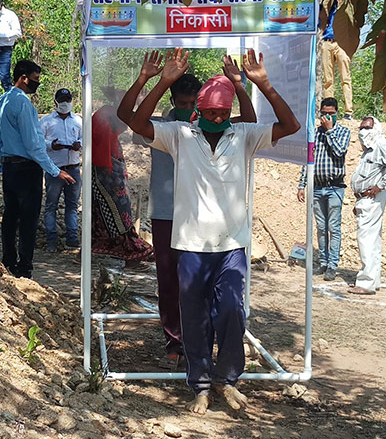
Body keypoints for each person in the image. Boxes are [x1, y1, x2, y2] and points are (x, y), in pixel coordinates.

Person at [127, 47, 300, 415]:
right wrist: (160, 82)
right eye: (211, 112)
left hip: (232, 245)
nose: (219, 117)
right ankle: (201, 386)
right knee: (194, 318)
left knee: (232, 314)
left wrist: (261, 85)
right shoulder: (181, 135)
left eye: (224, 111)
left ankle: (229, 381)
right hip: (190, 244)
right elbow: (136, 122)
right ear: (198, 111)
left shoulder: (242, 136)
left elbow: (290, 126)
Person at [117, 51, 256, 370]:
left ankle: (205, 343)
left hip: (207, 222)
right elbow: (127, 114)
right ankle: (175, 341)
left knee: (206, 285)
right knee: (169, 280)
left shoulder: (215, 127)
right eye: (183, 104)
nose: (189, 110)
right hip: (168, 213)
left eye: (194, 104)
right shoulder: (164, 128)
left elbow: (248, 124)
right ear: (173, 100)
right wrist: (146, 79)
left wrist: (239, 85)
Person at [0, 60, 75, 278]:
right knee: (28, 220)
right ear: (23, 78)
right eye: (35, 79)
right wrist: (55, 170)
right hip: (27, 168)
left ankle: (8, 263)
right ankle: (24, 270)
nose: (36, 84)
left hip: (10, 168)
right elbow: (33, 145)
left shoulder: (1, 101)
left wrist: (3, 165)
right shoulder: (24, 105)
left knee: (10, 216)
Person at [92, 85, 154, 269]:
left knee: (107, 210)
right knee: (120, 211)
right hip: (104, 168)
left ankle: (118, 250)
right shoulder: (108, 114)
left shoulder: (109, 113)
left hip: (110, 164)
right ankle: (131, 254)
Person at [348, 117, 386, 295]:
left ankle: (366, 283)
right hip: (365, 199)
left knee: (366, 239)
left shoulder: (380, 143)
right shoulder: (368, 150)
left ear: (376, 129)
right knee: (372, 239)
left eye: (367, 128)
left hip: (372, 198)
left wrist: (380, 185)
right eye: (361, 128)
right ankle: (373, 280)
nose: (363, 131)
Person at [297, 97, 351, 281]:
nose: (327, 117)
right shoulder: (314, 133)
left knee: (333, 228)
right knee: (321, 227)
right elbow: (308, 161)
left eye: (331, 114)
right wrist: (302, 184)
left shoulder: (343, 132)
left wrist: (329, 131)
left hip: (335, 187)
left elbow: (339, 151)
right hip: (317, 187)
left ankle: (333, 265)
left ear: (337, 113)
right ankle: (323, 262)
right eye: (324, 113)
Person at [40, 88, 83, 252]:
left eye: (67, 100)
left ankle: (72, 238)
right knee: (51, 205)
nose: (65, 104)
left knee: (72, 205)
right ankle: (51, 240)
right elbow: (37, 142)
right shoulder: (46, 122)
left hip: (73, 169)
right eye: (62, 100)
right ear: (55, 102)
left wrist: (79, 144)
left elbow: (86, 138)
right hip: (54, 171)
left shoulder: (78, 121)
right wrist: (51, 145)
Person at [320, 0, 353, 119]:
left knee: (346, 78)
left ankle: (348, 111)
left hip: (342, 43)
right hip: (327, 42)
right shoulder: (327, 5)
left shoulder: (349, 7)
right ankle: (329, 111)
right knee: (328, 79)